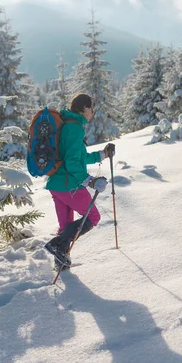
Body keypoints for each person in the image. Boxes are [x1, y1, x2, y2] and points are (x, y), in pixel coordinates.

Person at [44, 93, 115, 267]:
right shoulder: (75, 128)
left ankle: (61, 260)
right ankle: (57, 245)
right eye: (91, 108)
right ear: (83, 109)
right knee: (93, 216)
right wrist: (89, 181)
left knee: (66, 226)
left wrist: (102, 155)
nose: (93, 112)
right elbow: (72, 162)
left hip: (56, 184)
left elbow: (77, 156)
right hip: (70, 185)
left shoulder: (68, 124)